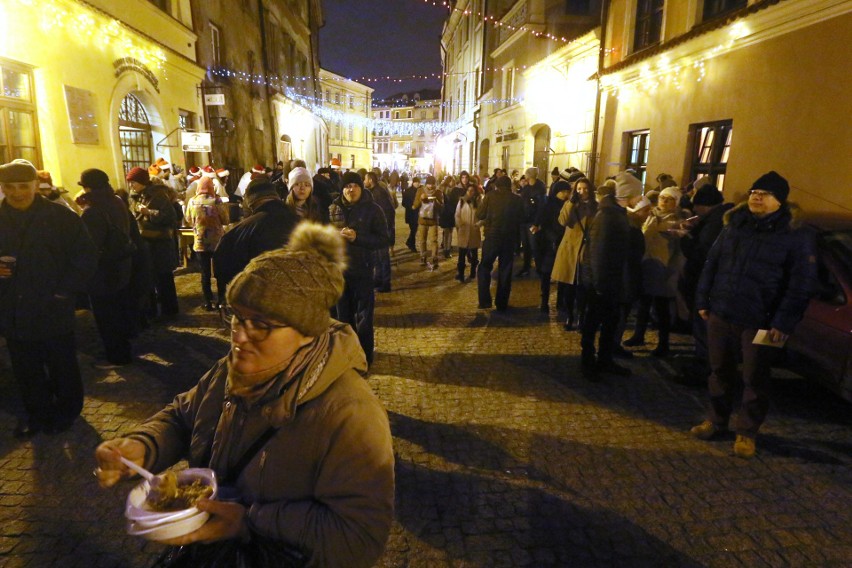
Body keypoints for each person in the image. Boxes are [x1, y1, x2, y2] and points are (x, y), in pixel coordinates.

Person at [94, 222, 395, 567]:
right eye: (236, 317)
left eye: (262, 325)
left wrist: (246, 520)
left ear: (307, 332)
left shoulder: (349, 412)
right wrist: (142, 447)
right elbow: (183, 417)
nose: (239, 337)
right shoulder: (232, 369)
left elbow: (359, 536)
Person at [691, 172, 815, 458]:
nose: (757, 196)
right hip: (722, 313)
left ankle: (747, 432)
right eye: (754, 191)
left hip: (762, 321)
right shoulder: (734, 225)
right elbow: (712, 264)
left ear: (780, 201)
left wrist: (783, 322)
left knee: (755, 378)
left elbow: (801, 284)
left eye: (765, 193)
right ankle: (716, 420)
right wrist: (703, 299)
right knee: (718, 371)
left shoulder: (796, 234)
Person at [0, 159, 97, 437]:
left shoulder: (60, 217)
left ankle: (66, 411)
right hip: (13, 309)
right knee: (25, 368)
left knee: (61, 364)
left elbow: (85, 257)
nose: (17, 192)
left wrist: (64, 291)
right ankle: (37, 414)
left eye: (23, 186)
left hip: (51, 306)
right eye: (9, 186)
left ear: (35, 185)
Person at [580, 171, 644, 381]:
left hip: (610, 281)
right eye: (637, 194)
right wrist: (599, 285)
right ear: (627, 195)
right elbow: (598, 253)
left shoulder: (616, 213)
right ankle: (588, 362)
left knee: (609, 322)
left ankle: (605, 359)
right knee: (593, 323)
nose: (639, 198)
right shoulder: (607, 216)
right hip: (601, 284)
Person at [329, 172, 389, 365]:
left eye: (355, 185)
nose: (351, 189)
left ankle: (364, 356)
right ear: (342, 189)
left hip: (362, 270)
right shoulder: (332, 208)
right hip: (338, 272)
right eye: (347, 186)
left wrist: (358, 238)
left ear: (361, 187)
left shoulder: (373, 209)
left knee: (364, 318)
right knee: (343, 318)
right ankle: (347, 356)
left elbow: (383, 239)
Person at [78, 168, 136, 368]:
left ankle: (117, 356)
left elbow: (89, 246)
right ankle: (123, 349)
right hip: (122, 265)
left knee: (107, 316)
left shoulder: (92, 210)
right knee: (119, 310)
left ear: (87, 188)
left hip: (103, 272)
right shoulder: (117, 201)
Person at [676, 184, 733, 383]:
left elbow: (701, 254)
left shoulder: (714, 224)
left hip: (706, 286)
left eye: (696, 206)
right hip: (711, 286)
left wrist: (685, 238)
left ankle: (703, 372)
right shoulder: (723, 218)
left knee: (704, 332)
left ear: (703, 205)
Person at [623, 186, 687, 357]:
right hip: (647, 264)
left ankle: (663, 343)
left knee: (662, 308)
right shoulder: (650, 216)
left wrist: (660, 227)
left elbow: (677, 233)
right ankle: (638, 335)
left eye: (669, 199)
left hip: (664, 269)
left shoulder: (680, 220)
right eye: (662, 197)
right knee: (644, 304)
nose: (664, 201)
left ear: (676, 202)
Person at [214, 178, 299, 299]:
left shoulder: (238, 233)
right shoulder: (304, 226)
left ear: (250, 203)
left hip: (259, 305)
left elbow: (223, 270)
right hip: (301, 304)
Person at [126, 166, 180, 319]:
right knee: (151, 277)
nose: (131, 186)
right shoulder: (137, 196)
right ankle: (154, 310)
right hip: (146, 242)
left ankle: (169, 310)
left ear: (142, 181)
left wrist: (148, 213)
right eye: (130, 182)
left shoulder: (157, 195)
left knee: (164, 278)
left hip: (160, 243)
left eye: (134, 182)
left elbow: (170, 217)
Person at [552, 173, 596, 329]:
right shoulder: (570, 204)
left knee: (583, 287)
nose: (582, 191)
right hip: (570, 249)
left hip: (585, 250)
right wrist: (571, 203)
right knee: (568, 287)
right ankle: (570, 316)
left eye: (585, 189)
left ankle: (582, 317)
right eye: (579, 189)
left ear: (590, 190)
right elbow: (562, 221)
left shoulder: (595, 206)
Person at [476, 175, 523, 311]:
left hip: (492, 236)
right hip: (509, 239)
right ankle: (501, 302)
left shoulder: (490, 196)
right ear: (510, 186)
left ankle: (485, 301)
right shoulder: (516, 199)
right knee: (505, 269)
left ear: (497, 185)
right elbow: (523, 217)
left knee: (484, 267)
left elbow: (480, 214)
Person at [186, 176, 228, 311]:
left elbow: (188, 219)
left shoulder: (192, 202)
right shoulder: (216, 200)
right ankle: (221, 300)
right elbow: (226, 219)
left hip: (200, 242)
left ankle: (207, 301)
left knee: (204, 273)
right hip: (217, 242)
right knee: (220, 271)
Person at [533, 178, 572, 313]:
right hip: (549, 244)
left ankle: (560, 301)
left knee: (562, 274)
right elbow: (540, 221)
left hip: (563, 243)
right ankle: (544, 301)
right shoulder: (548, 205)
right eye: (563, 191)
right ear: (556, 191)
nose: (565, 194)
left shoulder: (569, 205)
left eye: (567, 191)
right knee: (546, 273)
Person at [364, 171, 396, 292]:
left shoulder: (379, 193)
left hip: (382, 230)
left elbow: (388, 212)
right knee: (377, 256)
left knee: (383, 257)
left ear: (370, 180)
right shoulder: (374, 192)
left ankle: (386, 283)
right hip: (376, 230)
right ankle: (378, 279)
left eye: (365, 179)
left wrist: (385, 229)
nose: (364, 181)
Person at [517, 167, 546, 277]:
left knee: (534, 245)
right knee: (525, 245)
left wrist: (536, 223)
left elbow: (541, 208)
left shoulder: (540, 187)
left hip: (533, 221)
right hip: (524, 221)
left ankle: (539, 268)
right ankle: (526, 266)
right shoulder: (527, 187)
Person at [413, 175, 444, 270]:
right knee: (422, 240)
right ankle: (423, 257)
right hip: (422, 220)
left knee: (434, 240)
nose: (430, 186)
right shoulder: (420, 191)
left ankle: (435, 258)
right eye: (429, 184)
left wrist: (436, 201)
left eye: (432, 184)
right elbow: (415, 205)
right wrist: (421, 199)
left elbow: (442, 207)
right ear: (426, 183)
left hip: (433, 220)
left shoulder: (438, 192)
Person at [454, 183, 482, 282]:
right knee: (461, 255)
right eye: (468, 190)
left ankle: (473, 272)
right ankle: (461, 274)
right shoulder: (462, 201)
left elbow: (482, 215)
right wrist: (460, 224)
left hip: (474, 231)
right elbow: (457, 215)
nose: (470, 192)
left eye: (472, 191)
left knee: (474, 254)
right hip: (464, 231)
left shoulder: (478, 202)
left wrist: (478, 224)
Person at [439, 174, 464, 260]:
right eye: (451, 181)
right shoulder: (443, 190)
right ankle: (447, 250)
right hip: (447, 213)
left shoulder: (455, 190)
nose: (452, 182)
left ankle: (446, 248)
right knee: (447, 232)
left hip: (451, 213)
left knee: (448, 232)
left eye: (453, 181)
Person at [401, 176, 421, 252]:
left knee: (414, 230)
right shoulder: (408, 191)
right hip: (410, 213)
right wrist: (410, 206)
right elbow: (403, 203)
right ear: (413, 182)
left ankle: (410, 243)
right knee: (413, 230)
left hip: (418, 213)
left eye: (419, 182)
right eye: (416, 182)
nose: (418, 184)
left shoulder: (420, 190)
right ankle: (411, 244)